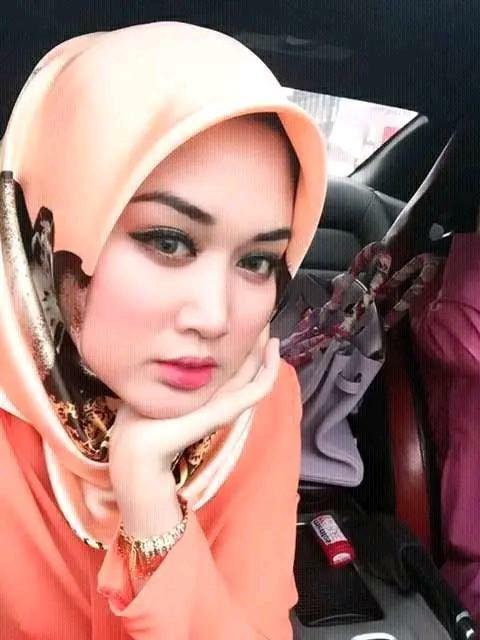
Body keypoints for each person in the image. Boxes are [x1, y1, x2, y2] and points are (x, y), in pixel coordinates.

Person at [0, 21, 327, 639]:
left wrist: (152, 509)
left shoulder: (258, 398)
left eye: (258, 262)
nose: (214, 317)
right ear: (52, 228)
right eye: (168, 241)